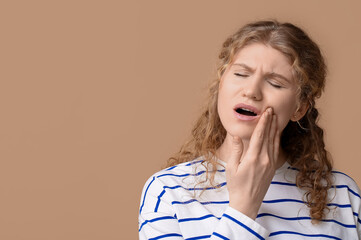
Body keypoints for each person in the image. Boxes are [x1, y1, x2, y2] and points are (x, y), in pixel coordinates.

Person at [138, 20, 361, 239]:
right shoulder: (167, 191)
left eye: (275, 83)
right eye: (241, 74)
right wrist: (244, 207)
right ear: (221, 84)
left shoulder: (342, 194)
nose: (252, 91)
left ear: (299, 108)